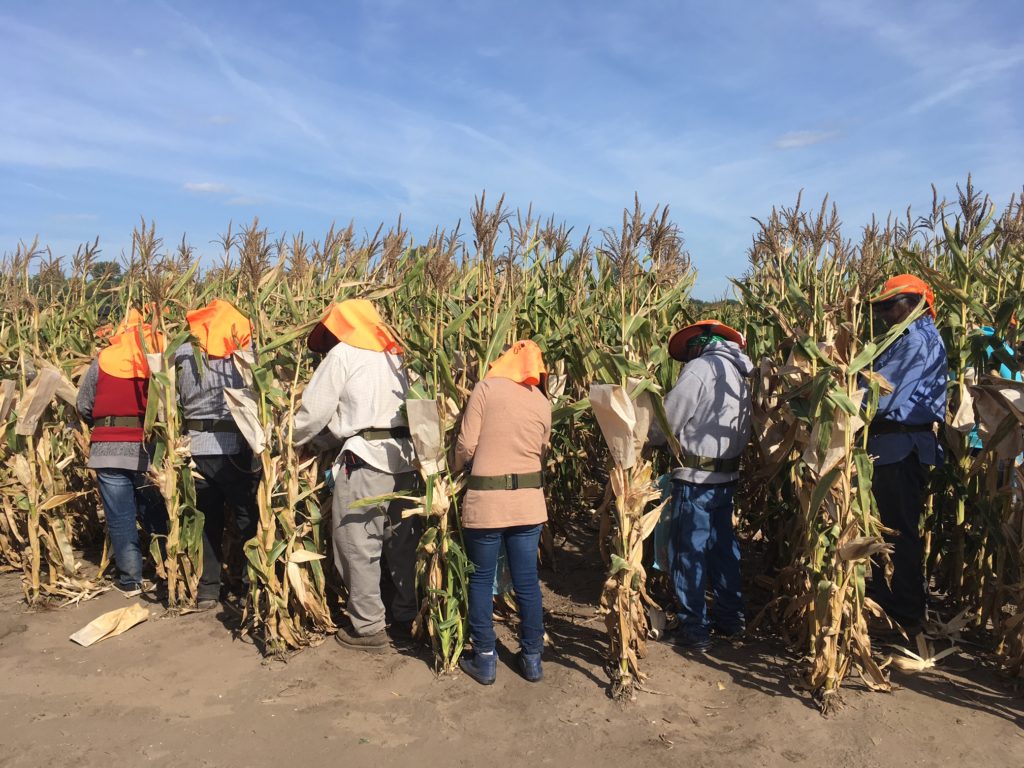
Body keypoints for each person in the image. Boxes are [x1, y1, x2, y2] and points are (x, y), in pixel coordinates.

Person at [292, 299, 419, 652]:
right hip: (407, 460)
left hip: (365, 462)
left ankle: (368, 627)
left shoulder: (344, 355)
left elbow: (315, 412)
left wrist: (292, 440)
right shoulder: (399, 352)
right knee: (402, 543)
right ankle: (407, 612)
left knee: (357, 544)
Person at [454, 340, 551, 685]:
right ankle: (532, 659)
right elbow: (541, 449)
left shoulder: (485, 389)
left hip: (487, 501)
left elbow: (467, 444)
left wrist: (456, 467)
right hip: (528, 503)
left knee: (481, 577)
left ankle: (484, 659)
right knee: (527, 580)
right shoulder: (542, 401)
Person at [657, 319, 753, 652]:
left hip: (697, 480)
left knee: (689, 552)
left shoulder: (700, 369)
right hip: (726, 479)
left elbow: (670, 421)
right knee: (723, 550)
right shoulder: (737, 372)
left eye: (687, 354)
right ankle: (731, 619)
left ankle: (693, 628)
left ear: (698, 345)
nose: (686, 360)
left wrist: (648, 437)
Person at [867, 274, 947, 634]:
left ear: (914, 303)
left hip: (897, 447)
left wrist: (837, 389)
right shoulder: (915, 336)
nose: (883, 314)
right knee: (895, 528)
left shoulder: (914, 340)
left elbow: (881, 395)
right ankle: (896, 600)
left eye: (889, 306)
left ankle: (906, 610)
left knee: (899, 530)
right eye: (881, 307)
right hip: (897, 446)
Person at [176, 298, 261, 610]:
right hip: (235, 448)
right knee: (247, 518)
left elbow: (171, 402)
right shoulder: (244, 351)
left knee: (206, 522)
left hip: (195, 449)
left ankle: (208, 590)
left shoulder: (183, 352)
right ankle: (254, 585)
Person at [76, 310, 168, 597]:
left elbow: (83, 405)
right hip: (145, 448)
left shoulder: (102, 361)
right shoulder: (156, 362)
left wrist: (102, 425)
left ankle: (130, 580)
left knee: (120, 516)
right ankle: (168, 568)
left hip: (106, 449)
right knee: (155, 510)